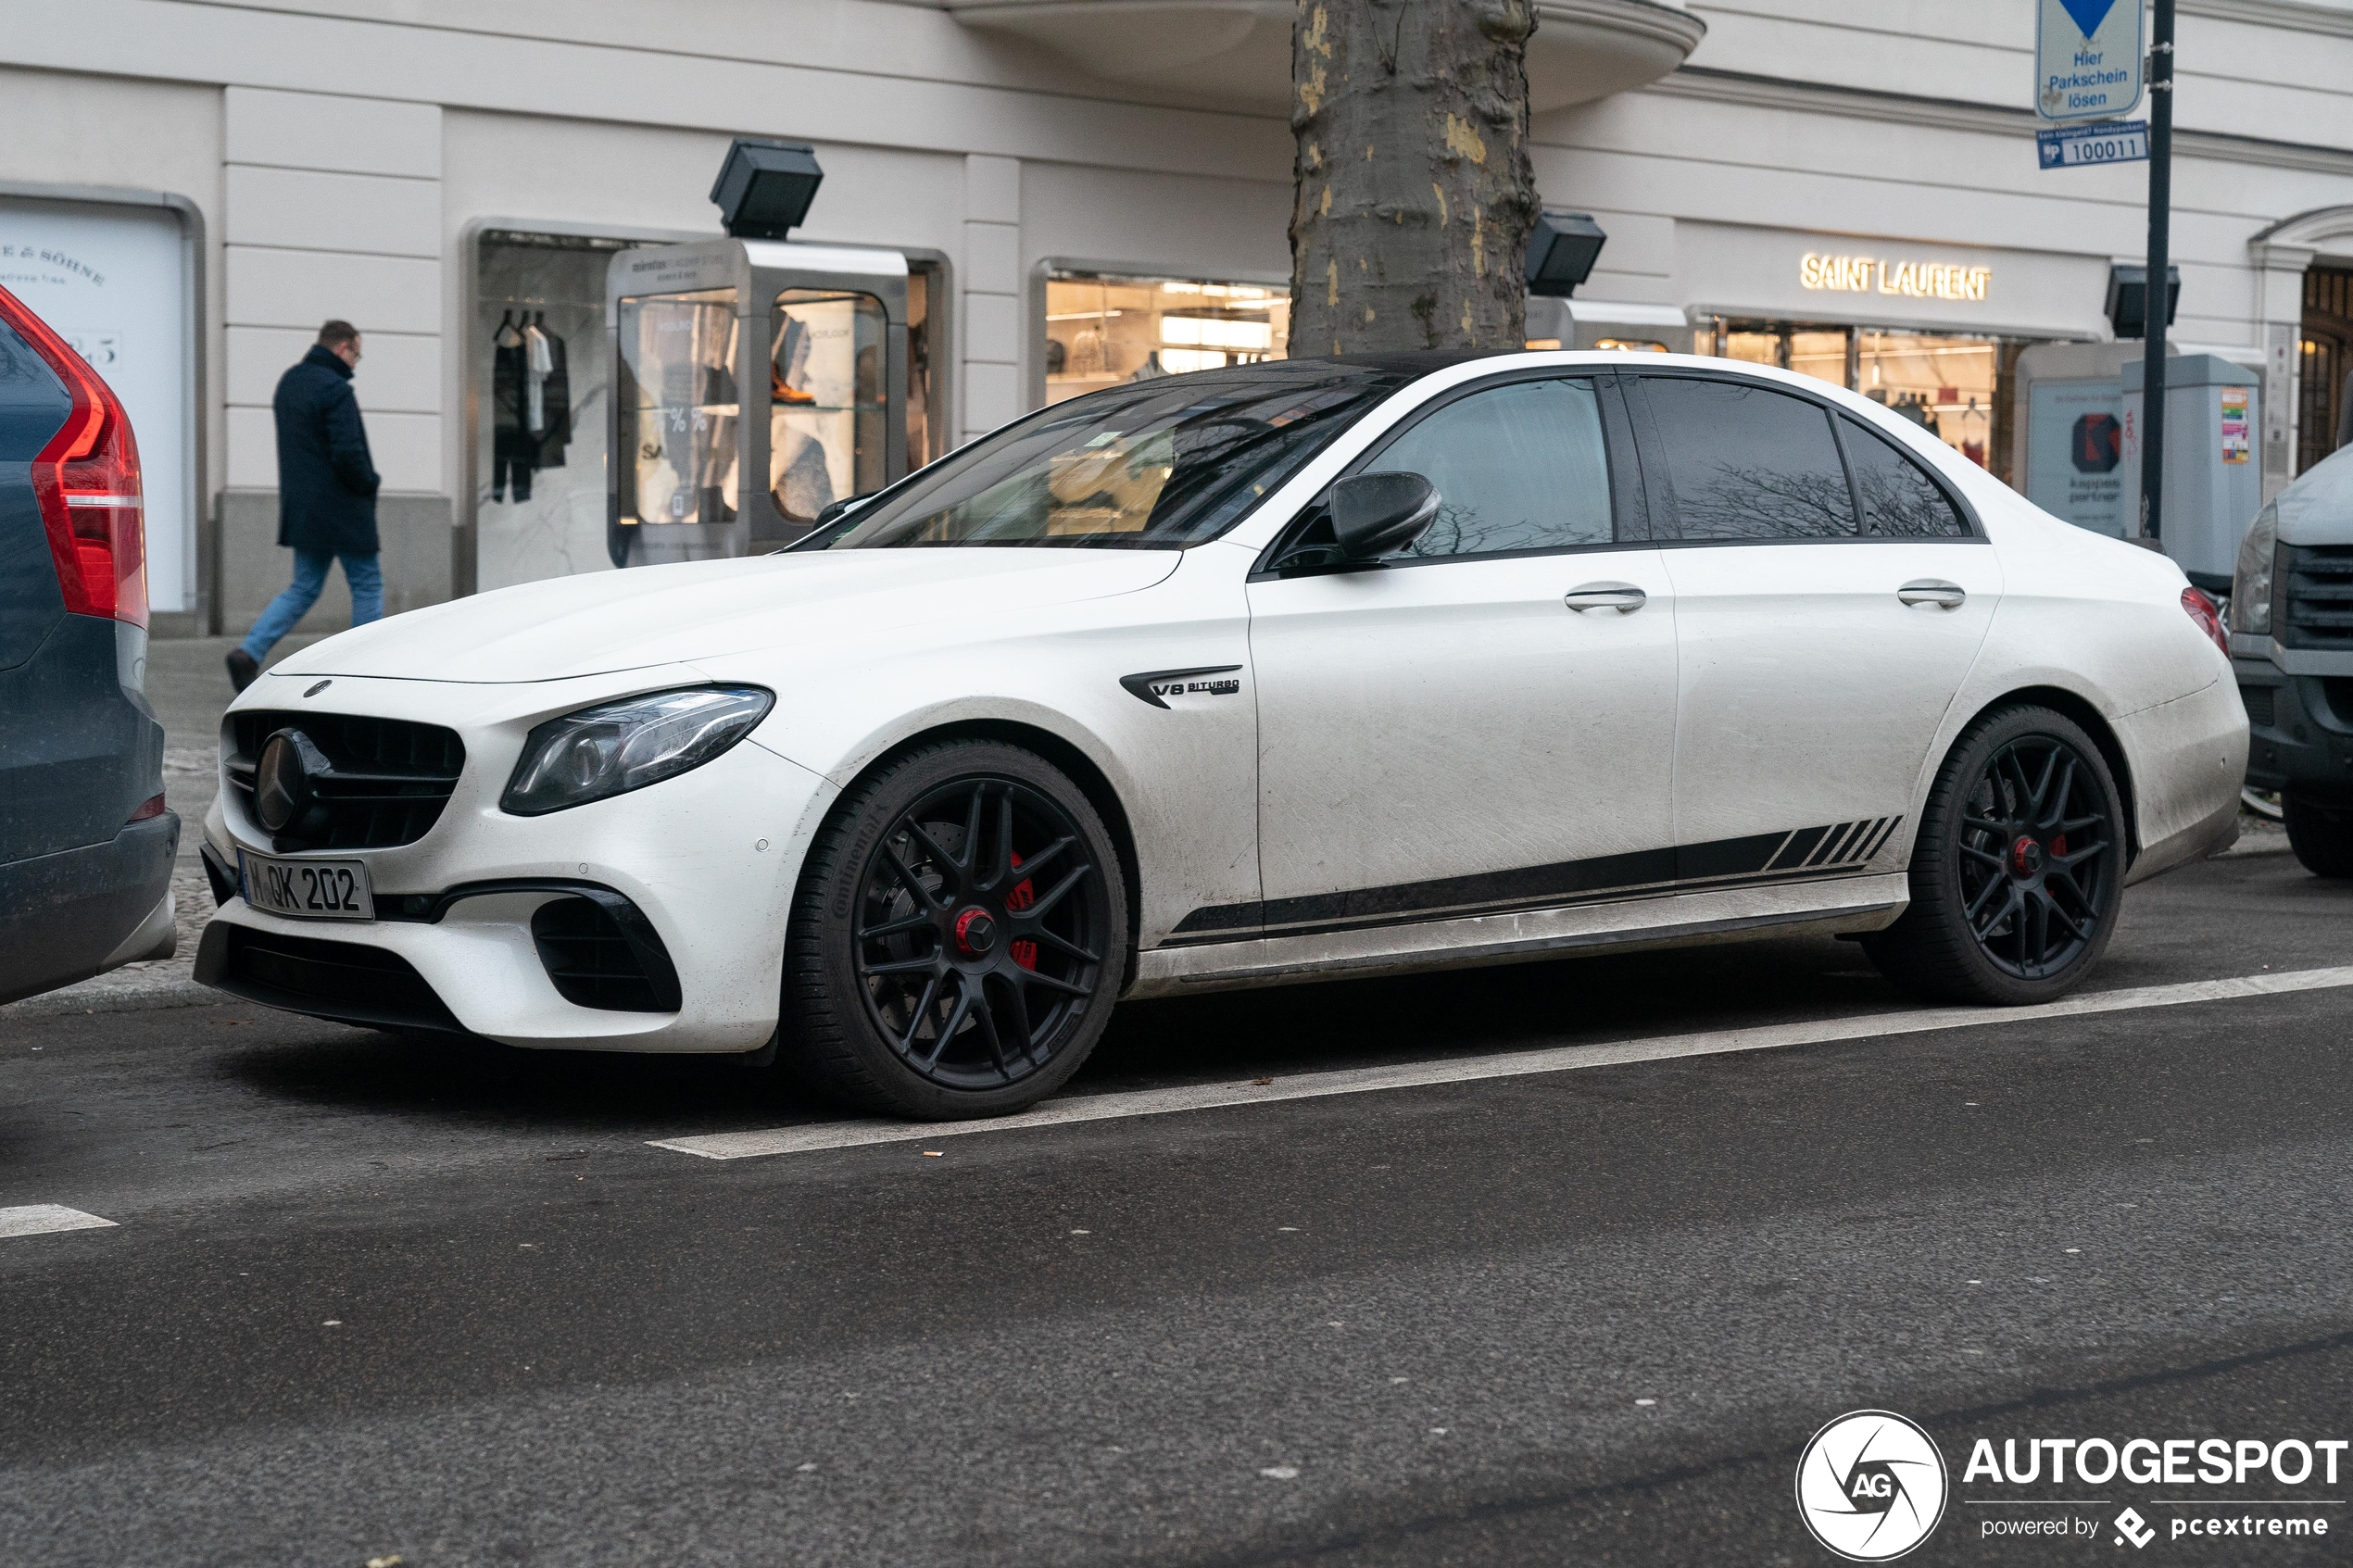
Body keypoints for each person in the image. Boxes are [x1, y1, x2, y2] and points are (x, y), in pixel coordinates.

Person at [226, 320, 383, 691]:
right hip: (343, 507)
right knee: (367, 585)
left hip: (305, 509)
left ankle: (249, 651)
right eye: (357, 354)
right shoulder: (336, 389)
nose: (356, 364)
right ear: (343, 348)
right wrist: (369, 483)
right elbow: (348, 452)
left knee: (303, 587)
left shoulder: (290, 382)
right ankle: (366, 667)